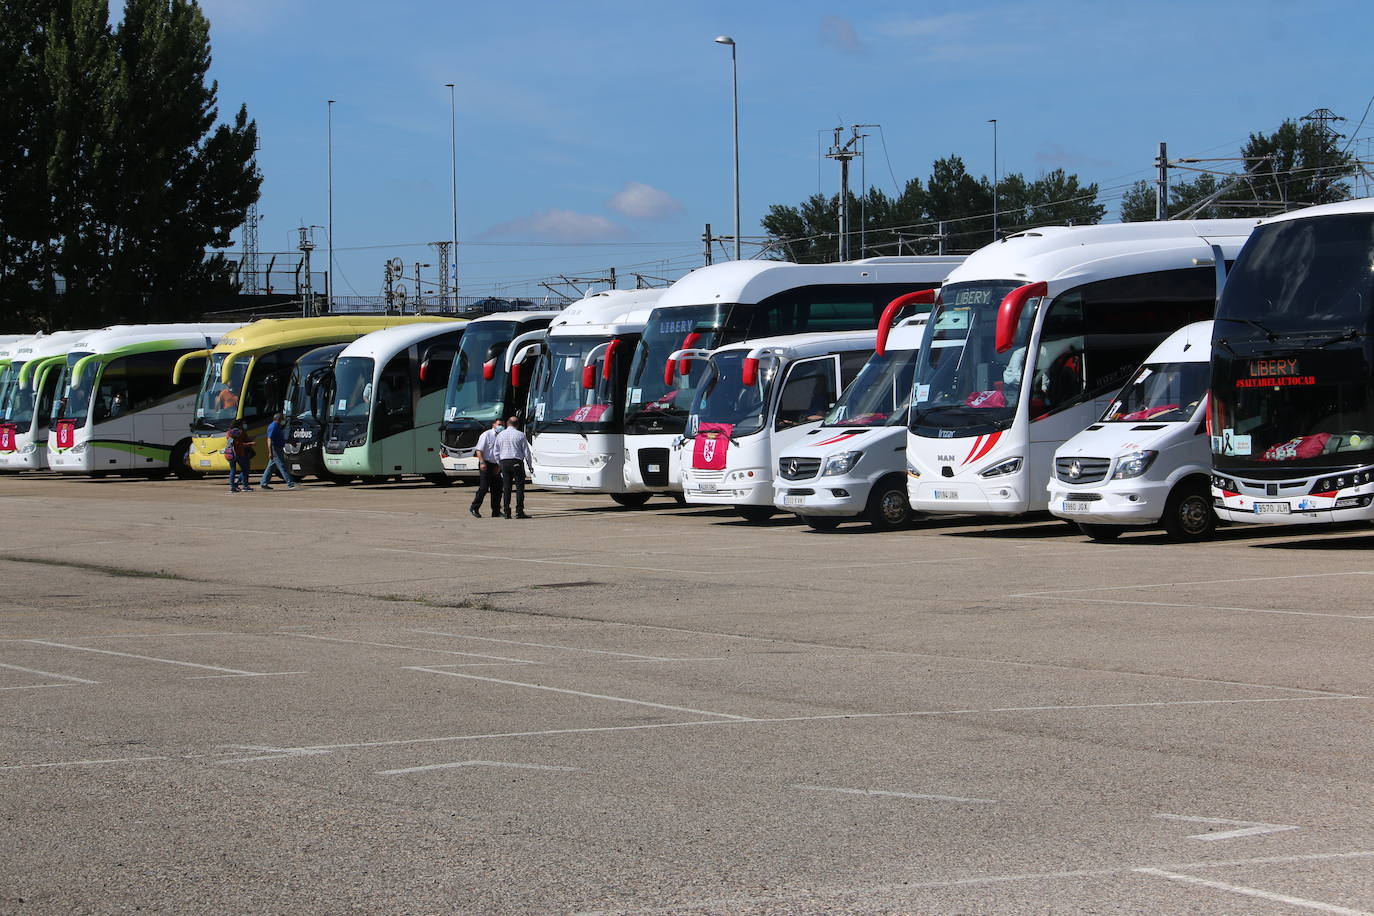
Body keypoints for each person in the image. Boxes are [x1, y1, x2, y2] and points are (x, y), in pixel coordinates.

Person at [493, 415, 532, 519]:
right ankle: (519, 511)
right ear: (517, 424)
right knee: (519, 488)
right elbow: (526, 452)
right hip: (516, 462)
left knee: (507, 487)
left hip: (504, 462)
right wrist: (530, 465)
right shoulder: (520, 435)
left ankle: (506, 511)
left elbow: (495, 451)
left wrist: (499, 463)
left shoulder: (500, 435)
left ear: (507, 424)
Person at [468, 418, 505, 518]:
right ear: (493, 425)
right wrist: (482, 462)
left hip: (496, 464)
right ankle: (474, 507)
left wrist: (499, 466)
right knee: (484, 487)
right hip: (485, 463)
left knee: (497, 488)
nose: (500, 426)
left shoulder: (502, 436)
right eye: (499, 424)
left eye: (502, 424)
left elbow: (502, 453)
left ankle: (496, 511)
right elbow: (479, 450)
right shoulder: (486, 435)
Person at [258, 411, 297, 490]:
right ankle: (290, 483)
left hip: (278, 448)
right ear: (278, 419)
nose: (283, 421)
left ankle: (263, 483)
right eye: (282, 419)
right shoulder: (273, 427)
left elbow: (280, 439)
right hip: (275, 448)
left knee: (271, 467)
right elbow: (269, 439)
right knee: (282, 466)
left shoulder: (277, 426)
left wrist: (290, 442)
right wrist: (270, 452)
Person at [224, 425, 255, 493]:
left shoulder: (228, 435)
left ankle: (232, 487)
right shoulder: (237, 437)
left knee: (232, 471)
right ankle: (245, 486)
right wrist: (250, 443)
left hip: (230, 455)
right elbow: (241, 445)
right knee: (245, 470)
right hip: (238, 455)